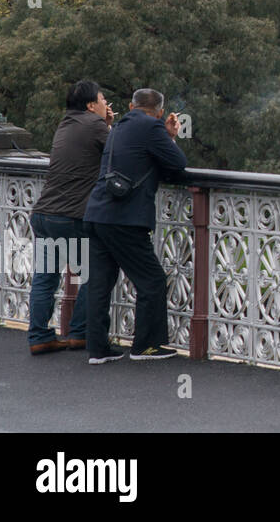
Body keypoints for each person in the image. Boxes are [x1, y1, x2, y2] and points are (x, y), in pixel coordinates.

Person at [83, 88, 187, 364]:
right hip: (124, 217)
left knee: (100, 284)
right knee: (151, 279)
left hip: (96, 212)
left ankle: (97, 349)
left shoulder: (118, 126)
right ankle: (146, 346)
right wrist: (170, 136)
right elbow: (178, 164)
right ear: (161, 112)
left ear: (131, 105)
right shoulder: (152, 126)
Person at [27, 80, 113, 355]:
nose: (105, 104)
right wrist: (107, 124)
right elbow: (121, 152)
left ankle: (39, 336)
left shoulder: (66, 124)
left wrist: (105, 122)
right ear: (91, 105)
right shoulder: (95, 125)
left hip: (43, 215)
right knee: (95, 272)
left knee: (45, 278)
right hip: (70, 216)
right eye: (102, 99)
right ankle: (80, 333)